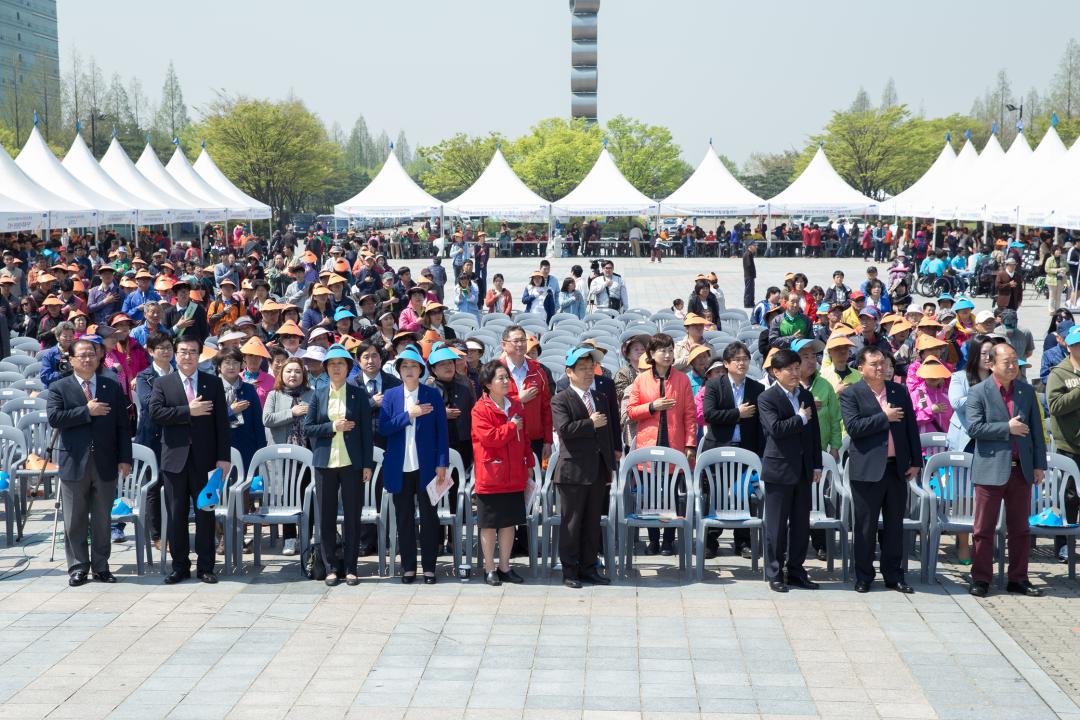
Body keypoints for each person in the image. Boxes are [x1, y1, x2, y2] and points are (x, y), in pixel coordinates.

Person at [46, 334, 133, 586]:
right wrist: (87, 411)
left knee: (103, 519)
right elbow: (55, 418)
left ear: (99, 358)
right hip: (74, 462)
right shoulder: (59, 387)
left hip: (105, 461)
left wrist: (124, 458)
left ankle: (102, 566)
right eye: (81, 355)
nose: (87, 358)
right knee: (74, 519)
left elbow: (122, 427)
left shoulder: (111, 386)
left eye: (92, 354)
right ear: (71, 359)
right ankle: (78, 567)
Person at [149, 336, 231, 585]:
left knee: (206, 512)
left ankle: (206, 566)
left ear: (199, 355)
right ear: (175, 353)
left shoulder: (212, 383)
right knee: (176, 514)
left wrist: (223, 457)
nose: (188, 356)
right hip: (174, 459)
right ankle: (180, 566)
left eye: (193, 352)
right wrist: (188, 411)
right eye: (183, 352)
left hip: (205, 460)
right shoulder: (163, 383)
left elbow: (221, 424)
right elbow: (155, 413)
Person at [839, 346, 922, 594]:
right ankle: (864, 575)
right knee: (866, 526)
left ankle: (893, 575)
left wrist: (916, 461)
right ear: (861, 368)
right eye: (874, 364)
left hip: (896, 469)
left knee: (895, 525)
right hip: (866, 470)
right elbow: (854, 428)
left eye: (883, 364)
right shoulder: (851, 394)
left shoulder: (899, 390)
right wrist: (883, 416)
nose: (880, 368)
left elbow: (910, 429)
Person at [966, 343, 1046, 598]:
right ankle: (981, 578)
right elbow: (974, 429)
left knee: (1020, 529)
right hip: (990, 469)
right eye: (1007, 362)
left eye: (1015, 361)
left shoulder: (1025, 391)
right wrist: (1006, 428)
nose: (1012, 366)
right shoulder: (979, 392)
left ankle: (1018, 578)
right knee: (983, 529)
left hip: (1020, 470)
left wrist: (1038, 465)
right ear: (991, 364)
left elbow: (1036, 431)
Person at [304, 344, 374, 585]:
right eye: (332, 364)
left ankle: (352, 567)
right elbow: (308, 427)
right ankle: (331, 567)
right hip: (325, 462)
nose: (336, 368)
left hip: (352, 463)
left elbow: (366, 432)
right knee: (326, 516)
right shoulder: (319, 394)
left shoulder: (358, 394)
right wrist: (334, 427)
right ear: (326, 368)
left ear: (348, 368)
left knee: (353, 516)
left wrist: (367, 464)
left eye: (340, 364)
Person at [379, 345, 449, 584]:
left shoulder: (432, 395)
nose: (409, 370)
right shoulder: (391, 395)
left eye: (414, 366)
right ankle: (408, 567)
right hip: (399, 466)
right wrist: (409, 414)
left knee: (430, 518)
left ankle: (429, 567)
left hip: (427, 466)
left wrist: (442, 463)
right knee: (404, 518)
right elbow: (384, 428)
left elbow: (442, 432)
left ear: (421, 370)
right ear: (399, 371)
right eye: (404, 366)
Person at [551, 346, 616, 588]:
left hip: (597, 469)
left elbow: (608, 434)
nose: (589, 373)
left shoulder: (599, 397)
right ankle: (569, 570)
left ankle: (589, 568)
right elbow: (565, 430)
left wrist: (609, 466)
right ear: (569, 372)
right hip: (573, 471)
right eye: (583, 369)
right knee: (572, 522)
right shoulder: (561, 399)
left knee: (592, 521)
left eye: (591, 368)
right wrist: (590, 423)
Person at [757, 348, 821, 593]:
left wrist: (816, 464)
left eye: (797, 368)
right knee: (776, 525)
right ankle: (774, 572)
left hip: (804, 469)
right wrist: (800, 418)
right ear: (775, 372)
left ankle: (796, 570)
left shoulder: (805, 395)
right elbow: (775, 429)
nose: (795, 373)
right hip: (779, 469)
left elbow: (815, 435)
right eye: (789, 369)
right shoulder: (767, 398)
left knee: (800, 525)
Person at [627, 333, 696, 555]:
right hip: (649, 443)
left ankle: (668, 539)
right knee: (649, 494)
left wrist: (690, 444)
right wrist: (652, 406)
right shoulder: (641, 379)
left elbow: (690, 415)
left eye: (670, 350)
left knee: (672, 493)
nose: (667, 355)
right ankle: (653, 539)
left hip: (673, 443)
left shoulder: (682, 379)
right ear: (651, 355)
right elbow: (631, 411)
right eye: (662, 351)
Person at [471, 360, 532, 586]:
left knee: (509, 523)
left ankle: (505, 566)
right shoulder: (480, 409)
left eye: (507, 377)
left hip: (514, 473)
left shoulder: (515, 405)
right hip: (491, 475)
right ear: (487, 384)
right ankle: (489, 568)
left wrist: (529, 460)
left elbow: (524, 436)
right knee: (489, 525)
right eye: (500, 378)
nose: (506, 381)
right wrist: (511, 427)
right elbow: (490, 439)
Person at [700, 341, 764, 558]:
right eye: (737, 359)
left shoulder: (757, 388)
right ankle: (710, 540)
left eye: (745, 359)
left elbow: (760, 424)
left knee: (742, 495)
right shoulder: (714, 385)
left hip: (746, 450)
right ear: (726, 363)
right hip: (719, 448)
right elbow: (709, 415)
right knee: (715, 494)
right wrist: (737, 413)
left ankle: (743, 541)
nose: (742, 363)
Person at [262, 357, 314, 557]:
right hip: (282, 457)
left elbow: (321, 419)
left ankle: (306, 535)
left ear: (304, 375)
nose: (293, 375)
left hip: (307, 454)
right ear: (281, 374)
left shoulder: (312, 394)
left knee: (306, 496)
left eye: (298, 372)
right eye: (289, 371)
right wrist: (291, 413)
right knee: (286, 498)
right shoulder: (274, 395)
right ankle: (289, 538)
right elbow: (267, 419)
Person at [1044, 325, 1080, 564]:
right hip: (1069, 445)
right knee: (1068, 498)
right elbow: (1054, 405)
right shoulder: (1060, 372)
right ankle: (1064, 546)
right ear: (1069, 346)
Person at [742, 240, 757, 308]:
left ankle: (751, 302)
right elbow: (748, 265)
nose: (755, 247)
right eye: (754, 245)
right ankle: (747, 303)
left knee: (751, 289)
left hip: (750, 275)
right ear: (750, 246)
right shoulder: (747, 254)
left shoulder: (750, 254)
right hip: (749, 275)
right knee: (749, 290)